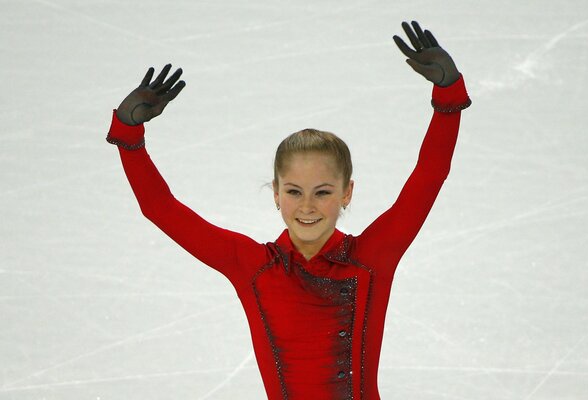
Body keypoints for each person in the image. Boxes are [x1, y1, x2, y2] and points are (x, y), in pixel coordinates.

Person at [106, 20, 471, 400]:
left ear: (347, 193)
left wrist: (448, 99)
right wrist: (129, 135)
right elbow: (160, 208)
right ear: (276, 194)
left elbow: (429, 178)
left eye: (323, 191)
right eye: (294, 191)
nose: (308, 206)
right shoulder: (252, 266)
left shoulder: (372, 258)